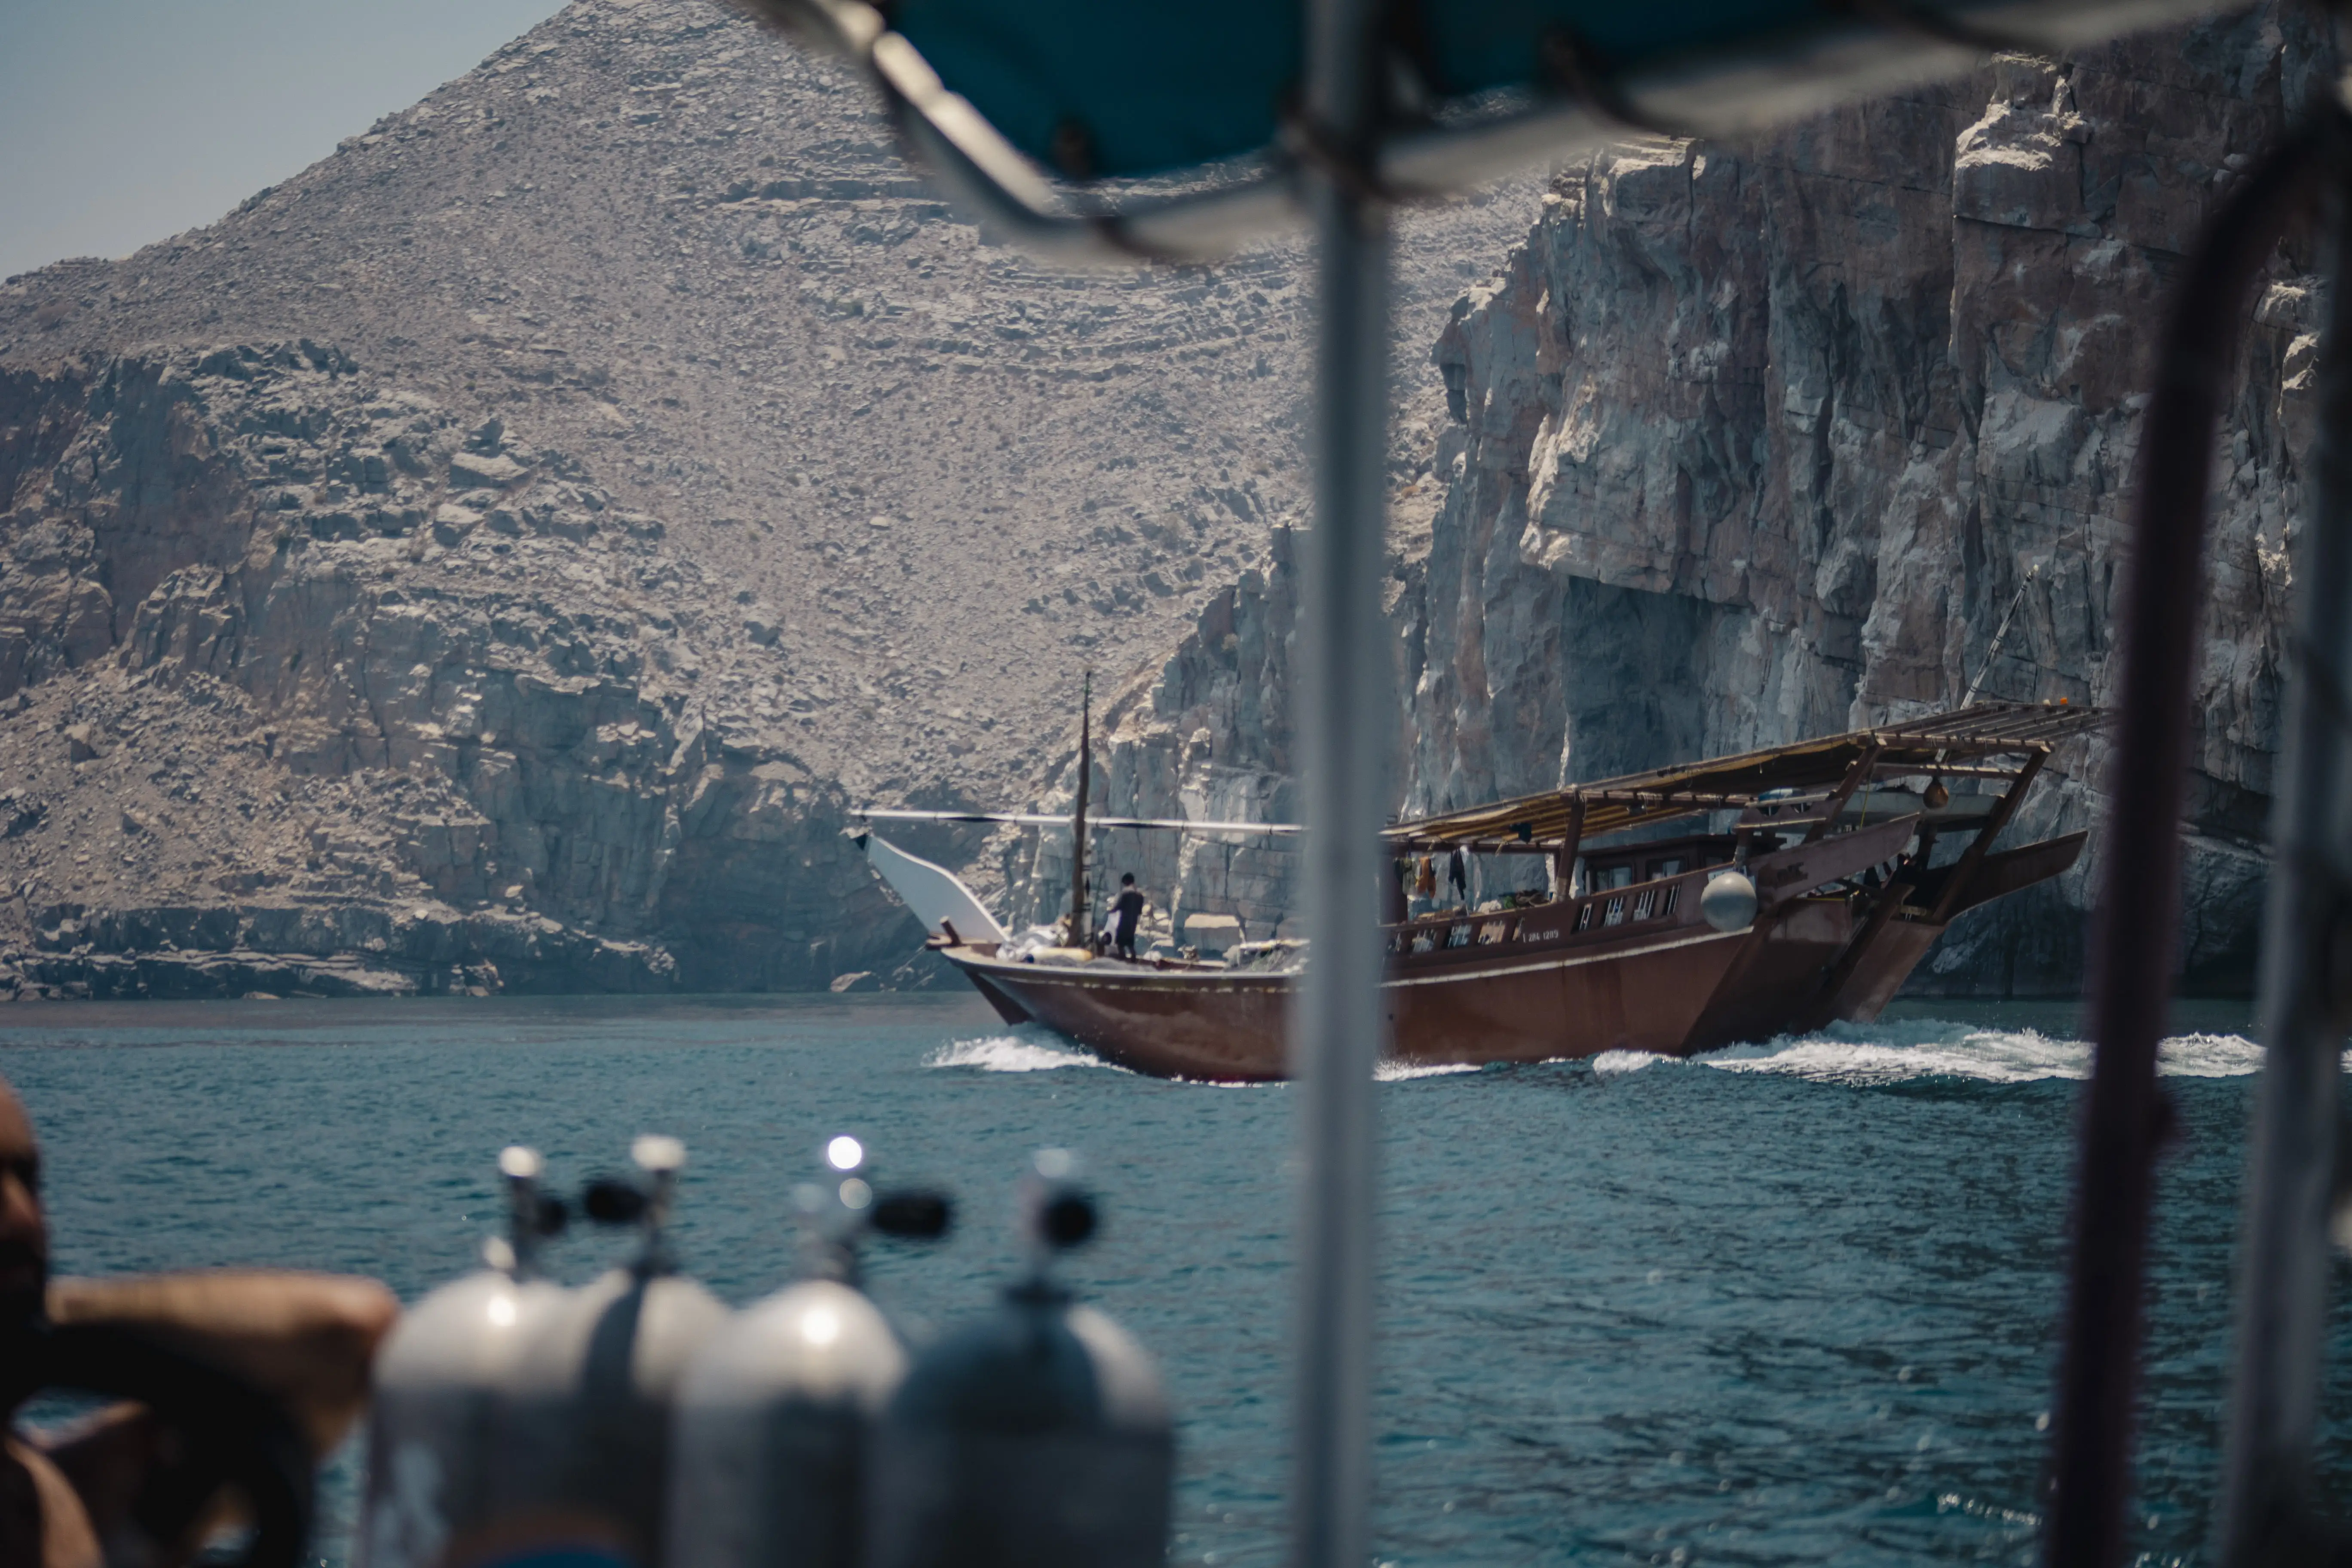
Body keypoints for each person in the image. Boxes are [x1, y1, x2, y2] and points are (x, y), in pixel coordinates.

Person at [0, 1077, 398, 1568]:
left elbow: (348, 1333)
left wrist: (34, 1315)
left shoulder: (81, 1493)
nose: (20, 1218)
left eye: (28, 1179)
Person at [1112, 873, 1149, 962]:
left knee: (1120, 943)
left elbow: (1118, 906)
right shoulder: (1140, 896)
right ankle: (1133, 961)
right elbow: (1140, 911)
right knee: (1130, 943)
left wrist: (1111, 910)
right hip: (1133, 923)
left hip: (1124, 922)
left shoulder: (1125, 893)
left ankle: (1122, 960)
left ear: (1126, 882)